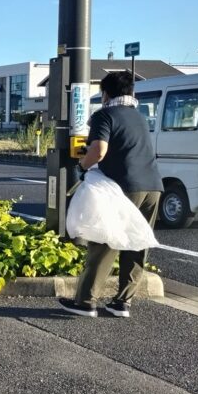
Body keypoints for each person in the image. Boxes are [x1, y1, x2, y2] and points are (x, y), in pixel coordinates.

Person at [59, 72, 162, 319]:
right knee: (137, 242)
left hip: (123, 186)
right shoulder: (139, 116)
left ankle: (86, 302)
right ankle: (122, 303)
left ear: (105, 94)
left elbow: (98, 150)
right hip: (153, 187)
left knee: (105, 241)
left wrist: (82, 166)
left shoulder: (104, 115)